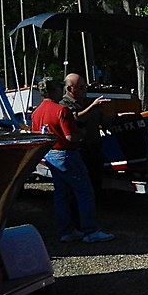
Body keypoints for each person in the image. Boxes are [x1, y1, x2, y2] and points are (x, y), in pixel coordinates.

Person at [30, 76, 114, 243]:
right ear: (55, 90)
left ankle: (66, 231)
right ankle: (90, 231)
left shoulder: (37, 112)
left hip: (50, 154)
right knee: (85, 192)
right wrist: (81, 134)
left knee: (61, 194)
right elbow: (70, 136)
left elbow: (36, 135)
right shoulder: (61, 110)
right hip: (67, 153)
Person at [61, 72, 111, 194]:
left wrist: (119, 117)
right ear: (69, 89)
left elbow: (102, 119)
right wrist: (93, 106)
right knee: (81, 183)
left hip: (95, 146)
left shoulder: (89, 102)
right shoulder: (64, 105)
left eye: (85, 87)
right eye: (81, 88)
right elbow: (75, 118)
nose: (85, 91)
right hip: (79, 149)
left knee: (96, 179)